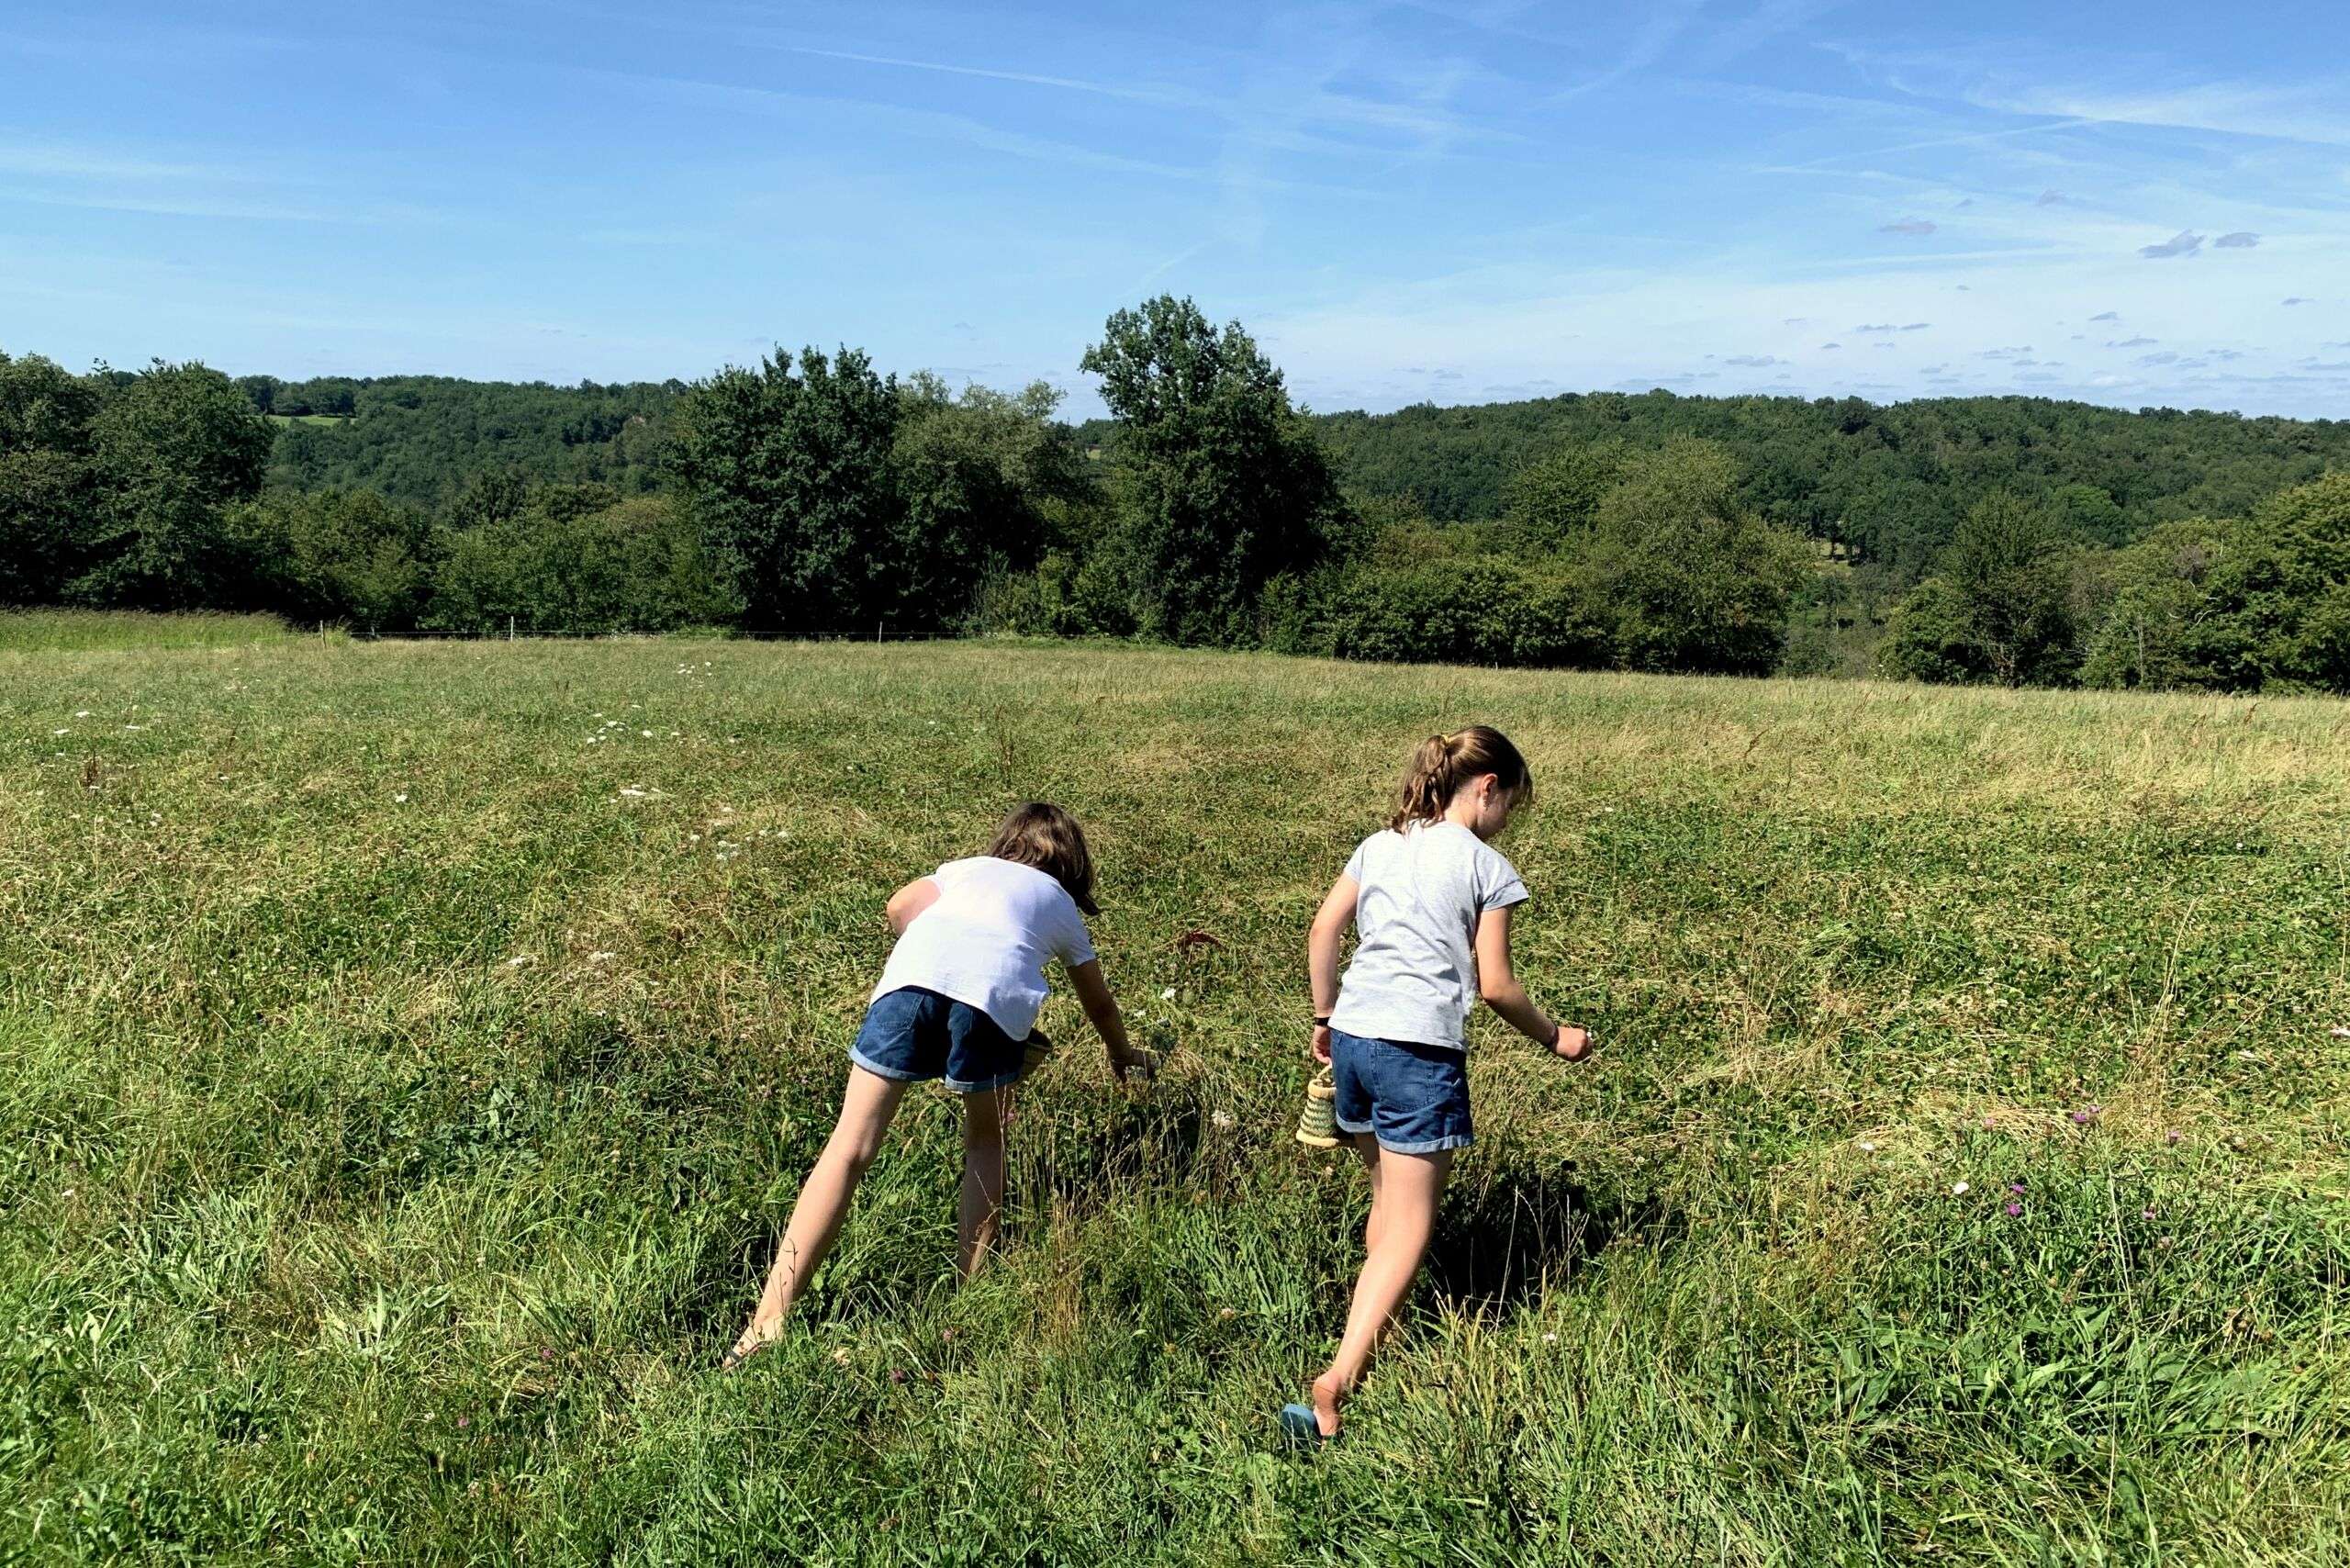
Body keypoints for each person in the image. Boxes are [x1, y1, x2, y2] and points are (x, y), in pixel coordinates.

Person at [724, 801, 1149, 1369]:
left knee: (849, 1147)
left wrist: (931, 950)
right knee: (985, 1143)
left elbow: (899, 906)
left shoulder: (963, 868)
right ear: (1072, 864)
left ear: (1006, 844)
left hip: (907, 984)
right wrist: (1122, 1054)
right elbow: (1095, 998)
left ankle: (766, 1322)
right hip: (995, 1004)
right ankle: (967, 1302)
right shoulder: (1060, 903)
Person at [1282, 727, 1594, 1444]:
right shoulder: (1488, 867)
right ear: (1487, 788)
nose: (1507, 820)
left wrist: (1325, 1016)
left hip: (1356, 1038)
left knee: (1388, 1206)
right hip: (1417, 1049)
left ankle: (1376, 1332)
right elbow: (1497, 986)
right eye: (1510, 805)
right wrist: (1557, 1038)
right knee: (1412, 1227)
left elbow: (1324, 928)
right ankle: (1338, 1380)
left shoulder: (1381, 843)